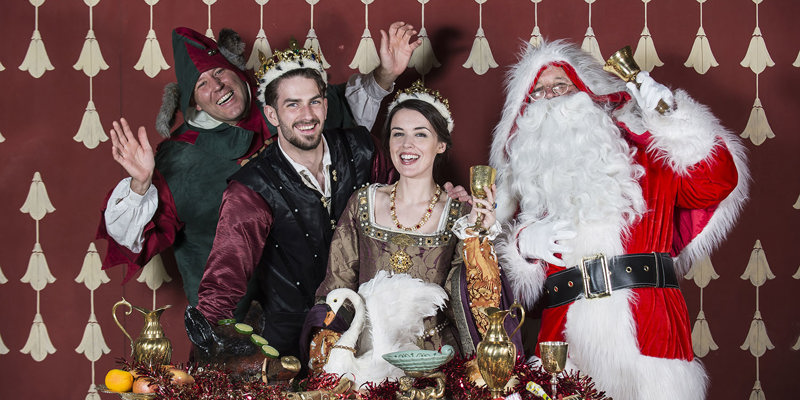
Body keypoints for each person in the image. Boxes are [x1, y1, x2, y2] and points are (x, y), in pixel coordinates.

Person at [97, 23, 421, 312]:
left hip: (327, 308)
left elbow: (344, 125)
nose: (218, 86)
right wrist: (140, 184)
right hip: (237, 328)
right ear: (194, 102)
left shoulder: (288, 106)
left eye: (220, 72)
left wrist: (386, 74)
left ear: (237, 72)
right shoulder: (181, 159)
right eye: (203, 84)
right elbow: (133, 237)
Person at [490, 40, 748, 400]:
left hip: (647, 325)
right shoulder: (527, 178)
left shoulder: (647, 151)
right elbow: (491, 278)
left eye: (560, 86)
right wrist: (523, 246)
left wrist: (672, 117)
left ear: (587, 91)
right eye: (539, 91)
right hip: (565, 337)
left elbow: (714, 183)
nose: (549, 98)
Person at [303, 81, 523, 376]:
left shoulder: (459, 214)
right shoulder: (363, 202)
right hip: (366, 359)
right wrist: (332, 355)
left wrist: (477, 237)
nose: (407, 146)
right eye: (398, 134)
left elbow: (475, 302)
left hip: (434, 363)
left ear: (441, 144)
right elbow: (337, 286)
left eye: (421, 134)